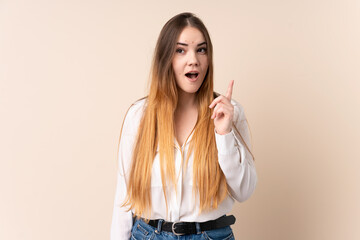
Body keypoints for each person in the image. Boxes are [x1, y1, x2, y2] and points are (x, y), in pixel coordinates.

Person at [110, 12, 257, 240]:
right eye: (181, 50)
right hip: (148, 234)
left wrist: (223, 133)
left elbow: (244, 190)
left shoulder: (230, 113)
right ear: (166, 58)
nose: (193, 59)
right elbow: (123, 199)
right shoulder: (139, 116)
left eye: (201, 49)